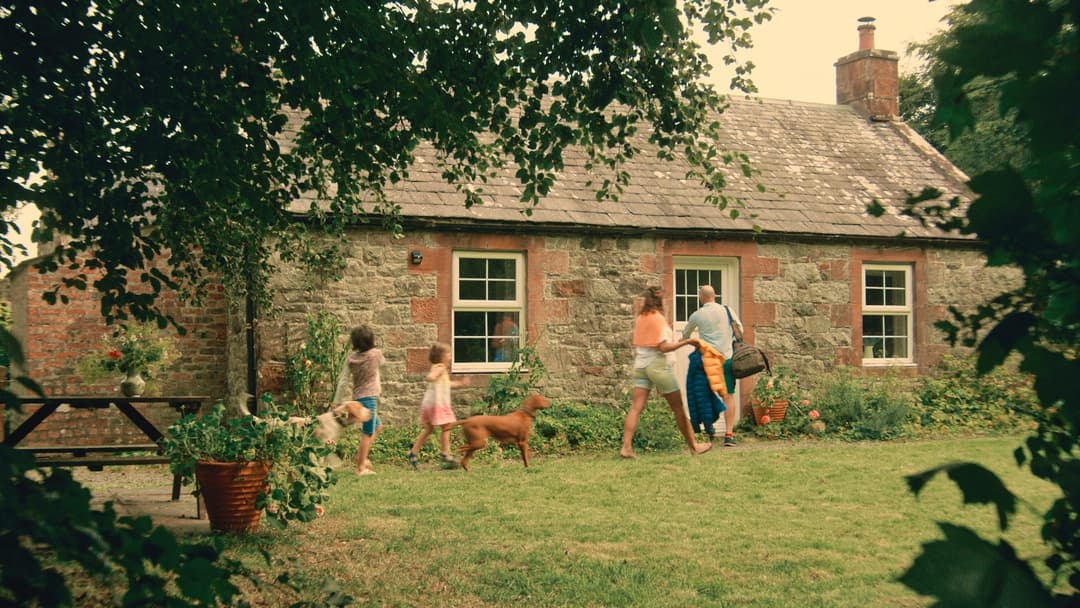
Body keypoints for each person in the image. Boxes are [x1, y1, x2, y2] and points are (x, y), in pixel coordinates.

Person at [621, 286, 711, 458]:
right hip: (658, 365)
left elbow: (651, 341)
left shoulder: (641, 318)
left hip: (640, 365)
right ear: (660, 301)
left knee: (635, 408)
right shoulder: (658, 319)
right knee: (678, 408)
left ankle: (626, 447)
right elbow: (663, 347)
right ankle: (694, 446)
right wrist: (688, 341)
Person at [682, 285, 743, 447]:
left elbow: (685, 335)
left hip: (707, 361)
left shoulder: (697, 314)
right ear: (714, 296)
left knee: (704, 396)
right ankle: (729, 435)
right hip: (726, 359)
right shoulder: (728, 310)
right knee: (728, 396)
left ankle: (709, 429)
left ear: (701, 297)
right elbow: (740, 330)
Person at [408, 343, 469, 468]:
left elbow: (447, 384)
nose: (451, 356)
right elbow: (431, 377)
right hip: (438, 405)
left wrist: (461, 383)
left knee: (429, 429)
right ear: (441, 356)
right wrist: (431, 376)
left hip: (429, 404)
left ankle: (413, 452)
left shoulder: (439, 368)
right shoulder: (440, 367)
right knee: (447, 427)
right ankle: (445, 453)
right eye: (449, 354)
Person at [334, 325, 385, 475]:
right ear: (371, 340)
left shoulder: (351, 359)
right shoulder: (376, 355)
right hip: (369, 398)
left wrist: (338, 400)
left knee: (378, 426)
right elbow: (382, 363)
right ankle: (360, 467)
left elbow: (343, 381)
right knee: (367, 432)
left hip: (358, 397)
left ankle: (361, 455)